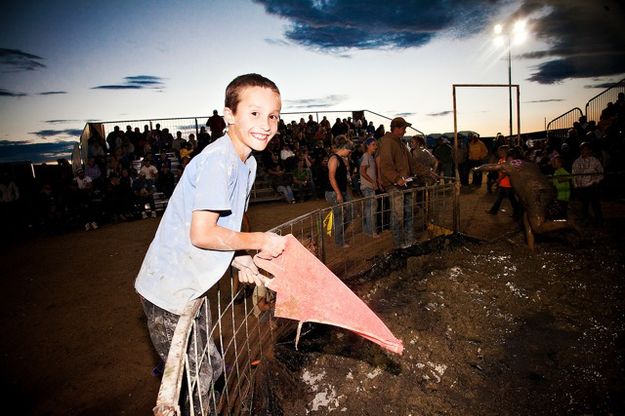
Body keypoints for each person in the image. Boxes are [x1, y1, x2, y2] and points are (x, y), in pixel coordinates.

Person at [134, 74, 287, 410]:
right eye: (254, 113)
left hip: (193, 286)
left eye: (273, 116)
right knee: (197, 382)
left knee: (211, 367)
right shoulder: (220, 160)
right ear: (229, 115)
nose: (266, 124)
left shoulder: (247, 162)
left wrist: (239, 257)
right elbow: (202, 233)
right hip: (170, 291)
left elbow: (223, 225)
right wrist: (258, 241)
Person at [378, 117, 417, 248]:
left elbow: (412, 163)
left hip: (405, 183)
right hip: (395, 185)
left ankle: (409, 241)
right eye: (404, 129)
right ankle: (399, 245)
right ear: (397, 128)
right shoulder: (386, 142)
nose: (405, 131)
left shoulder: (400, 143)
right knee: (397, 215)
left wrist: (427, 172)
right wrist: (396, 179)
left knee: (408, 213)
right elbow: (385, 165)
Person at [325, 135, 354, 247]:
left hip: (341, 191)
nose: (350, 153)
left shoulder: (340, 159)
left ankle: (338, 233)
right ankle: (339, 241)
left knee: (350, 213)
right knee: (340, 216)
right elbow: (331, 177)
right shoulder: (334, 159)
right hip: (333, 192)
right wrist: (338, 193)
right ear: (345, 148)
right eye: (349, 151)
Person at [572, 141, 604, 225]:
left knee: (595, 205)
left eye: (586, 149)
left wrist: (597, 181)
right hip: (581, 187)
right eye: (582, 149)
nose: (584, 151)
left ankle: (599, 221)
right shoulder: (576, 162)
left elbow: (601, 172)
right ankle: (586, 220)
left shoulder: (595, 160)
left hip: (592, 186)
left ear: (589, 150)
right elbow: (574, 174)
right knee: (584, 206)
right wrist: (576, 185)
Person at [486, 146, 520, 219]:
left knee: (511, 199)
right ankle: (494, 210)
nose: (498, 153)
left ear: (504, 152)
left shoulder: (508, 160)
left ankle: (517, 212)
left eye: (500, 151)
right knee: (502, 198)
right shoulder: (502, 160)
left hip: (508, 183)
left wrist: (498, 179)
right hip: (504, 182)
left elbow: (505, 172)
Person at [359, 137, 379, 236]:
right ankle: (371, 231)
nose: (375, 146)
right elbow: (362, 172)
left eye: (376, 144)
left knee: (369, 208)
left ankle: (367, 230)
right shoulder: (366, 156)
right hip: (367, 186)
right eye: (373, 145)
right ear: (368, 146)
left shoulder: (370, 156)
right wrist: (373, 182)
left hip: (368, 186)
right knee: (371, 209)